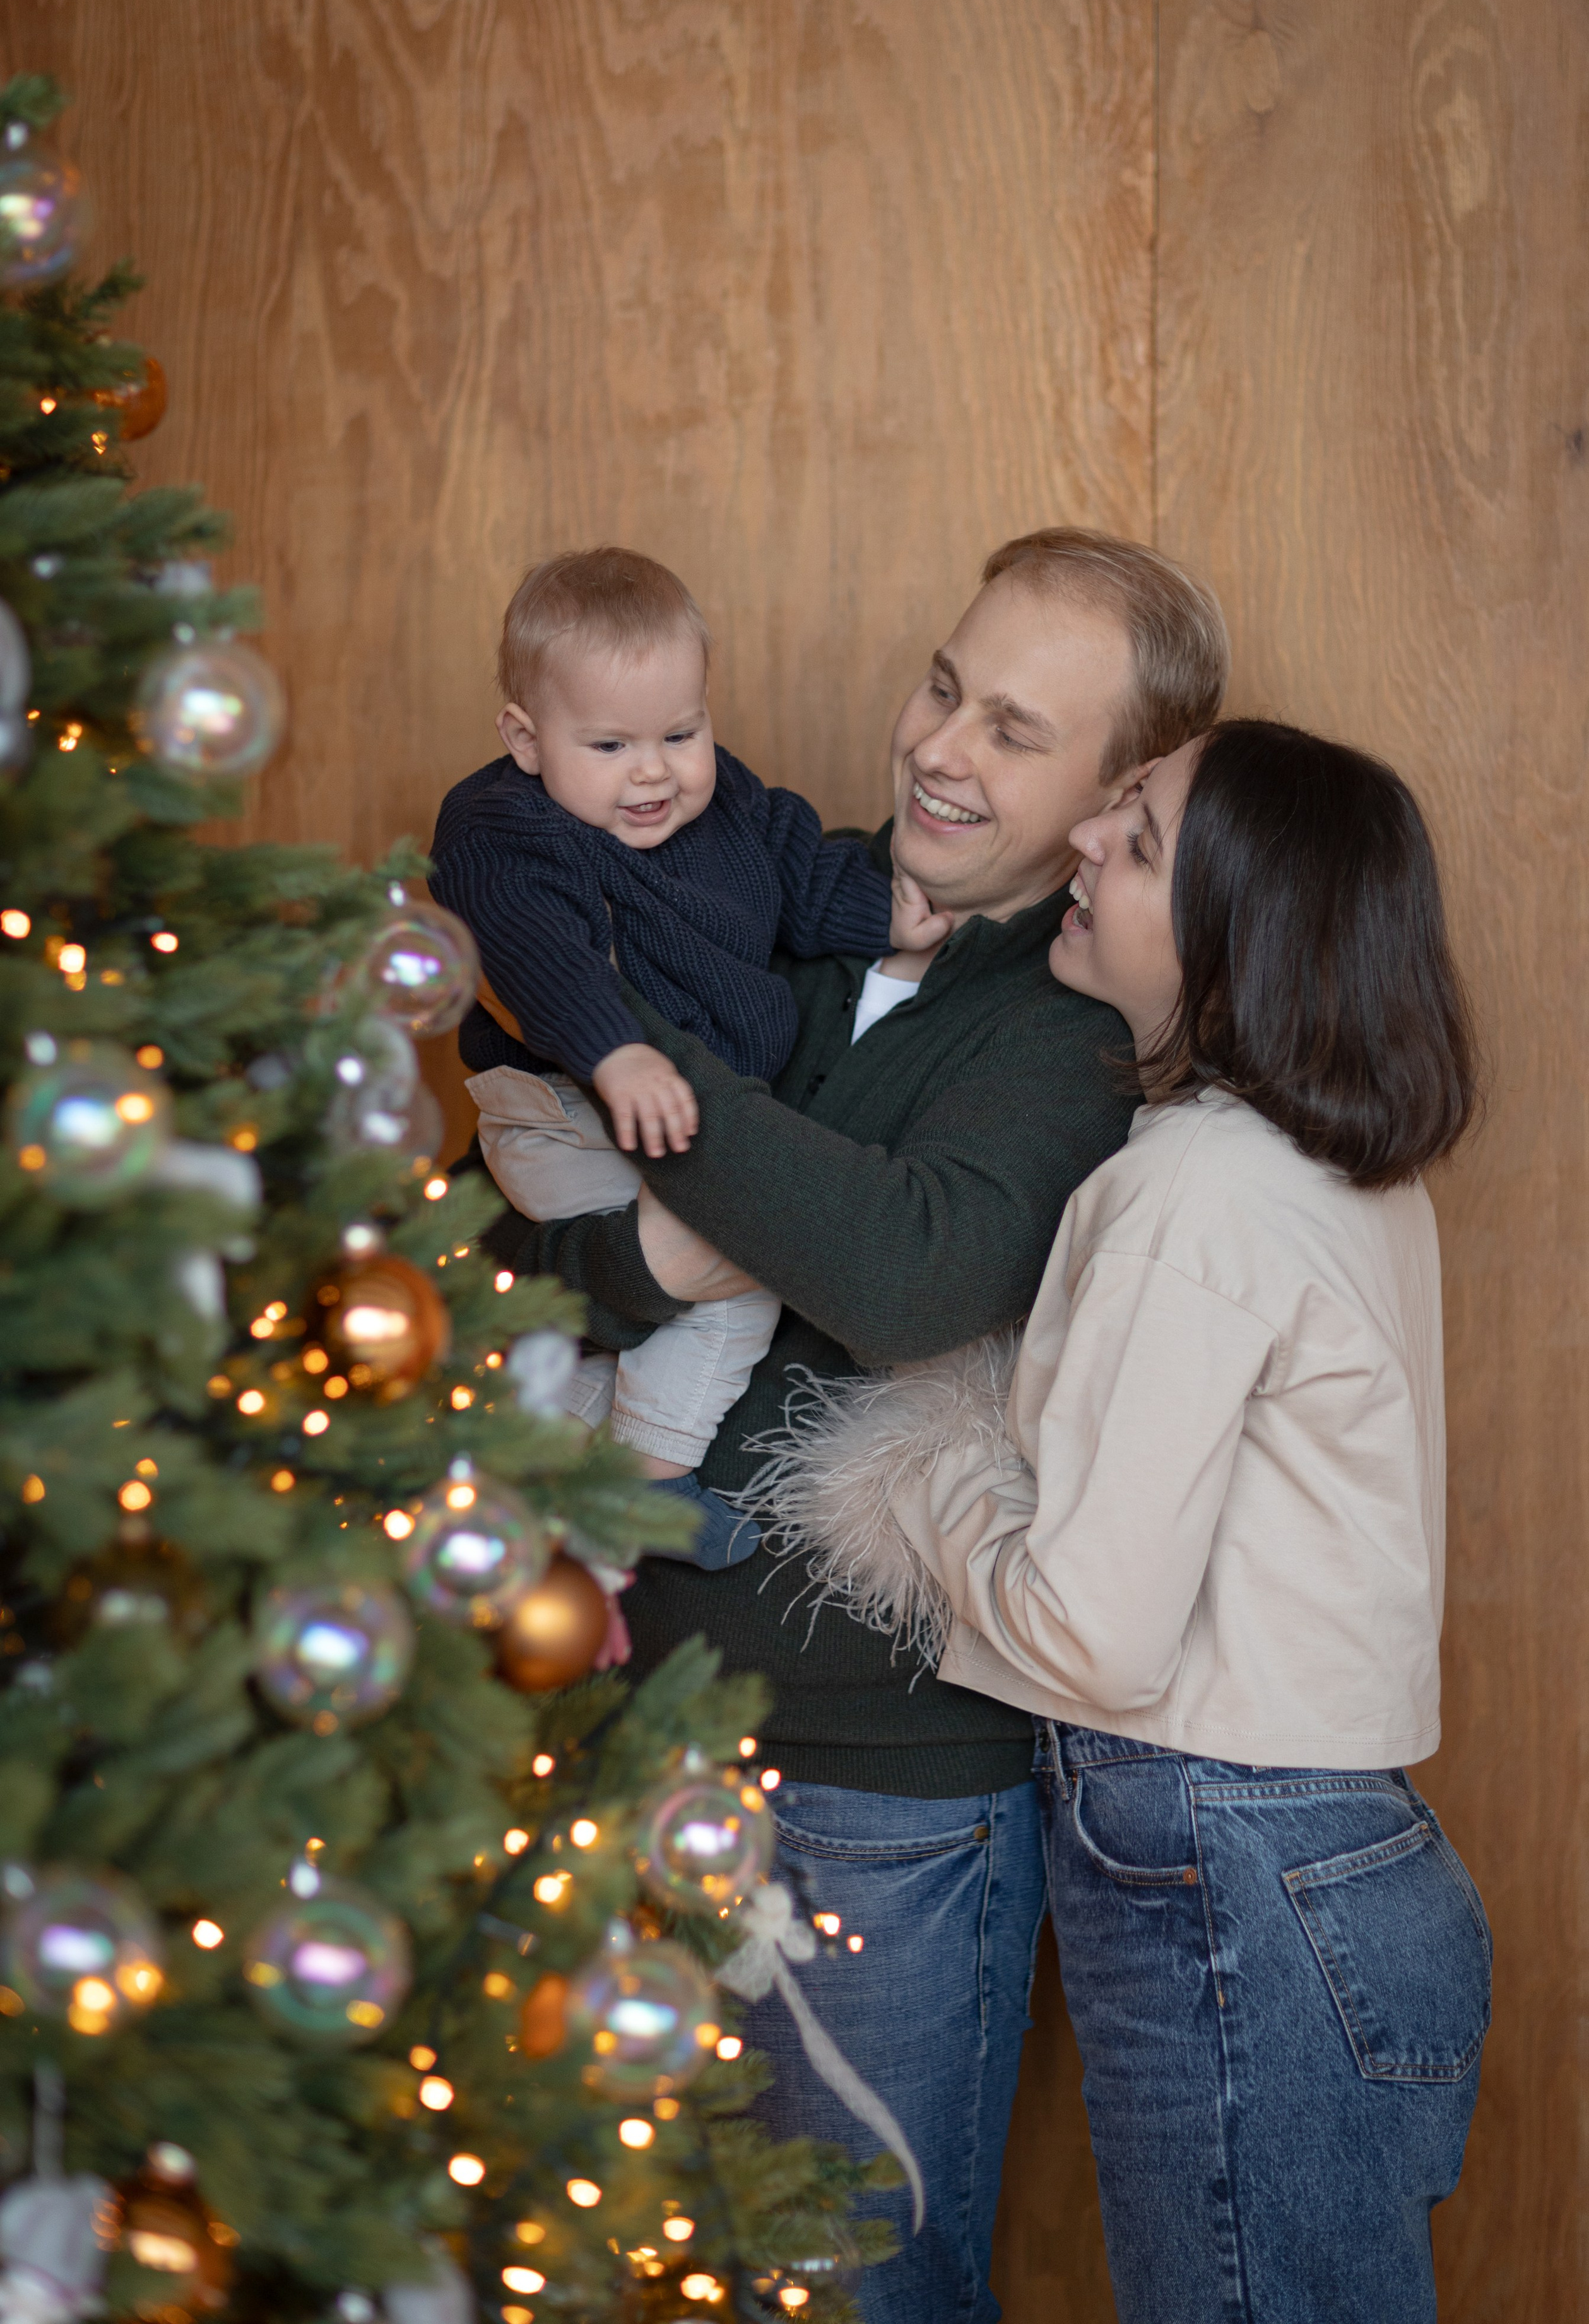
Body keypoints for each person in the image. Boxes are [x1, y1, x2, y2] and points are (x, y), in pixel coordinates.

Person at [468, 528, 1230, 2324]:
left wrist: (638, 1071)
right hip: (605, 1720)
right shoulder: (760, 891)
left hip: (870, 1794)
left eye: (1017, 734)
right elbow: (486, 1248)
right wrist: (653, 1236)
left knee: (855, 2294)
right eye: (945, 686)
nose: (943, 751)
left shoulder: (1069, 1031)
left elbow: (905, 1273)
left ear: (1120, 798)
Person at [773, 719, 1489, 2321]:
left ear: (1246, 934)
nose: (1085, 847)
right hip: (1323, 1866)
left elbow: (1093, 1631)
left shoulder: (1194, 1194)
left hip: (1233, 1859)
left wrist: (917, 1455)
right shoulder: (1325, 1170)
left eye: (1142, 840)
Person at [430, 546, 949, 1554]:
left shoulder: (723, 809)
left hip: (662, 1106)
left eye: (683, 731)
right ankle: (654, 1489)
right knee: (731, 1276)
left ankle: (549, 1461)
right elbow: (535, 954)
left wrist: (892, 914)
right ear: (526, 740)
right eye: (612, 744)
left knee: (629, 1321)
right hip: (566, 1102)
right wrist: (613, 1051)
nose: (655, 771)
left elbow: (799, 871)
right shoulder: (505, 828)